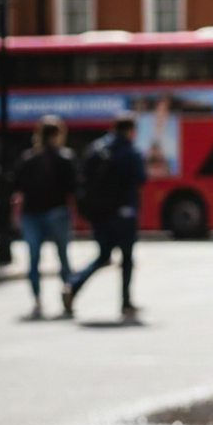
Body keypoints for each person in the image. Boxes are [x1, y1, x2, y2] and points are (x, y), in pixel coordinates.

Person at [64, 114, 148, 320]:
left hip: (99, 213)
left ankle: (73, 286)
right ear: (130, 131)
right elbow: (141, 178)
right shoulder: (131, 151)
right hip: (124, 213)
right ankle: (126, 302)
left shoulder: (96, 148)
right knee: (127, 258)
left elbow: (82, 177)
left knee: (103, 256)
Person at [13, 116, 77, 319]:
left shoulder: (28, 158)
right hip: (57, 211)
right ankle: (68, 293)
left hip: (31, 214)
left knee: (33, 259)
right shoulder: (65, 158)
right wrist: (74, 215)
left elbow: (17, 191)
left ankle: (37, 300)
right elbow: (72, 191)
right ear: (57, 135)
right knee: (63, 257)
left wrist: (16, 215)